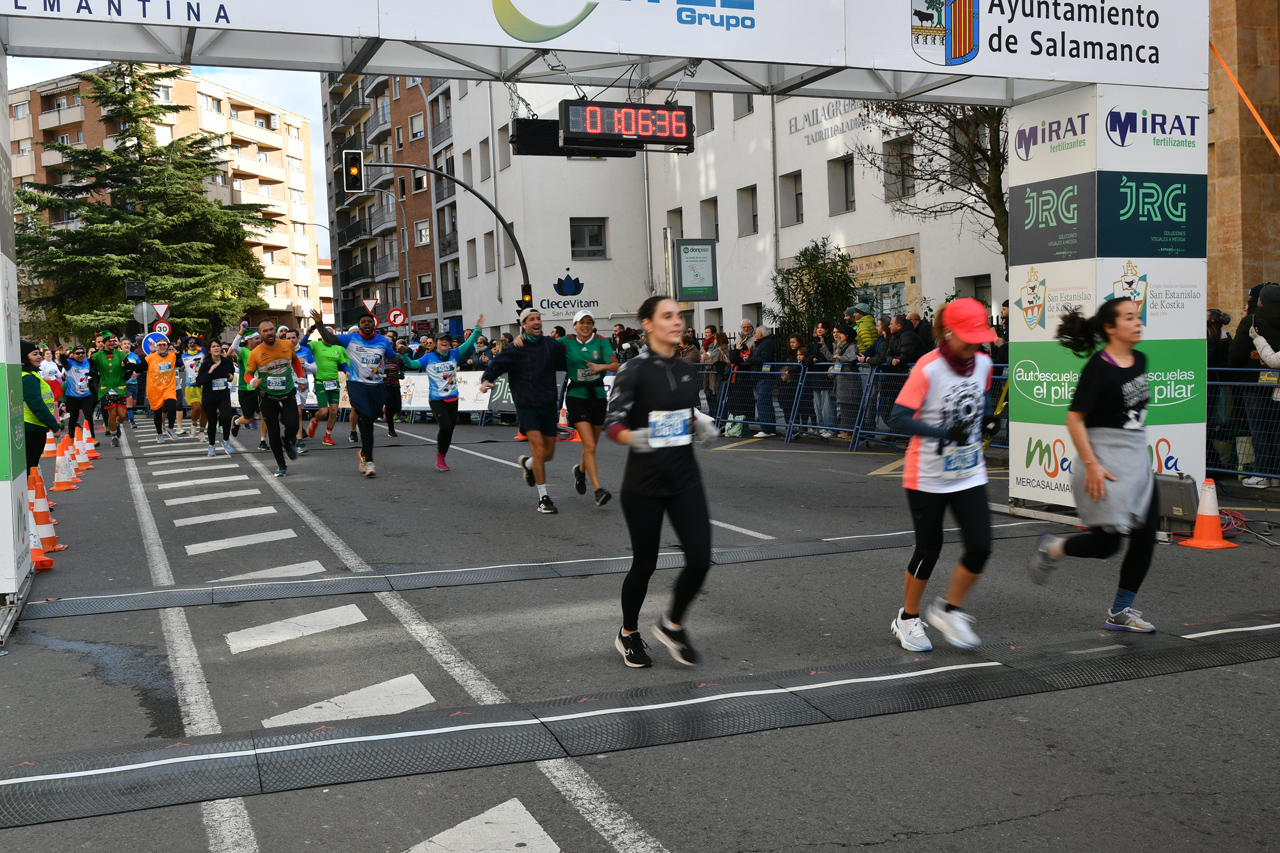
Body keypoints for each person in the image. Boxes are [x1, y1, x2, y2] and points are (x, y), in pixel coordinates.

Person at [1027, 298, 1159, 633]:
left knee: (1145, 537)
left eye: (1138, 317)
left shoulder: (1141, 359)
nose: (1138, 322)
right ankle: (1053, 547)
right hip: (1102, 460)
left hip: (1136, 459)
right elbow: (1074, 419)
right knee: (1106, 545)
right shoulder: (1097, 368)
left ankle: (1120, 611)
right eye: (1129, 318)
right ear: (1110, 328)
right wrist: (1092, 464)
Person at [605, 295, 719, 667]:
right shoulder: (633, 370)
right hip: (645, 484)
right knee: (645, 564)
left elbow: (682, 409)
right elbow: (613, 422)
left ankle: (672, 625)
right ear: (648, 324)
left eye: (679, 316)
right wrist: (633, 437)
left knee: (700, 559)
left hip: (685, 479)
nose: (677, 322)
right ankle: (628, 633)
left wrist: (700, 422)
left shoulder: (687, 367)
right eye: (667, 316)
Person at [888, 298, 996, 651]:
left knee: (980, 546)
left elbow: (980, 400)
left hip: (969, 472)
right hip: (927, 475)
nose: (975, 345)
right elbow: (898, 417)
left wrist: (987, 419)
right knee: (928, 549)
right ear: (948, 333)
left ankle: (950, 608)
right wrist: (943, 434)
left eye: (980, 338)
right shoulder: (929, 367)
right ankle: (908, 618)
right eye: (969, 338)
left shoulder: (983, 363)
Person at [480, 307, 567, 513]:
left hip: (548, 403)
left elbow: (566, 359)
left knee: (548, 454)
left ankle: (529, 465)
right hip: (526, 405)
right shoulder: (515, 348)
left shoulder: (551, 345)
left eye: (538, 318)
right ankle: (543, 498)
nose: (536, 322)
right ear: (524, 325)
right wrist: (486, 380)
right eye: (531, 319)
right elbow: (496, 365)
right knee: (539, 450)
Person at [310, 309, 408, 477]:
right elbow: (330, 338)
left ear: (374, 325)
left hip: (377, 386)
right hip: (357, 384)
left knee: (370, 419)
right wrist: (319, 323)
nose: (366, 324)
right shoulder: (350, 338)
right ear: (360, 326)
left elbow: (393, 358)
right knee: (366, 419)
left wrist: (404, 353)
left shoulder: (383, 342)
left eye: (369, 322)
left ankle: (363, 453)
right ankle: (369, 461)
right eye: (363, 322)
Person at [559, 309, 619, 506]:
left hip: (598, 396)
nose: (585, 326)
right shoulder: (567, 341)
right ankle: (598, 490)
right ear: (574, 325)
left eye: (589, 322)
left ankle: (580, 471)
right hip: (576, 396)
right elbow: (542, 345)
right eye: (581, 322)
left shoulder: (601, 342)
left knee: (591, 445)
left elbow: (615, 366)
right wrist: (521, 338)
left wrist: (600, 367)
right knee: (590, 446)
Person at [419, 314, 484, 471]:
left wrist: (477, 330)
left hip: (453, 398)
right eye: (441, 340)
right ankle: (440, 456)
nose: (445, 342)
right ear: (436, 343)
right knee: (446, 426)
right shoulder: (428, 358)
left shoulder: (454, 354)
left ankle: (442, 454)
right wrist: (404, 355)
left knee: (449, 430)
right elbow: (413, 364)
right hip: (436, 399)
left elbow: (468, 343)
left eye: (447, 340)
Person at [243, 319, 305, 476]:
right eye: (265, 331)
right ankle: (281, 465)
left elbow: (295, 361)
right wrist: (252, 381)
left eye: (271, 329)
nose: (269, 333)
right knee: (273, 432)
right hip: (267, 397)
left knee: (293, 425)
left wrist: (301, 377)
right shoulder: (255, 353)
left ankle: (288, 440)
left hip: (288, 393)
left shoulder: (287, 345)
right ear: (260, 334)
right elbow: (247, 374)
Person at [303, 321, 349, 446]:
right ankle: (314, 421)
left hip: (334, 383)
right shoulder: (315, 345)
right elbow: (302, 346)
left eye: (330, 334)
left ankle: (327, 436)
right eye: (326, 334)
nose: (328, 336)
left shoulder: (338, 349)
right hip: (320, 382)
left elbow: (343, 364)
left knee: (334, 412)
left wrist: (347, 371)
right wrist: (307, 335)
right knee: (323, 412)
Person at [22, 340, 62, 477]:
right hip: (32, 427)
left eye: (39, 353)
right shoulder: (28, 378)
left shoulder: (29, 374)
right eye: (35, 354)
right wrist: (53, 425)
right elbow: (36, 404)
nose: (39, 357)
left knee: (30, 465)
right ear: (24, 357)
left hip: (33, 426)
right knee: (30, 465)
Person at [229, 323, 269, 451]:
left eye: (259, 338)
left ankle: (263, 441)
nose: (259, 340)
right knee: (249, 419)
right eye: (256, 338)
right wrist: (241, 331)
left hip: (260, 388)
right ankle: (236, 422)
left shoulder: (260, 351)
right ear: (249, 340)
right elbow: (234, 347)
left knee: (264, 414)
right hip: (246, 389)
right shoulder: (243, 351)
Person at [195, 339, 237, 456]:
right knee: (212, 421)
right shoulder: (206, 364)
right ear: (209, 350)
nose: (216, 348)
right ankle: (212, 446)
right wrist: (210, 372)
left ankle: (226, 440)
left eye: (218, 346)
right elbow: (199, 381)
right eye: (213, 347)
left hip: (223, 394)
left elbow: (231, 374)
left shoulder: (227, 362)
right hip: (209, 396)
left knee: (226, 417)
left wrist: (230, 377)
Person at [90, 334, 130, 446]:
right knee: (112, 414)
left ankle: (116, 424)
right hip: (107, 388)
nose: (112, 343)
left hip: (120, 387)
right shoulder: (97, 356)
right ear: (104, 342)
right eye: (110, 341)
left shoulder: (121, 354)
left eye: (114, 341)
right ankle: (114, 436)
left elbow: (128, 368)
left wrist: (127, 367)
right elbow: (88, 364)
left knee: (122, 415)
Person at [139, 337, 180, 442]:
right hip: (155, 389)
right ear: (157, 347)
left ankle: (170, 429)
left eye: (164, 344)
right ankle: (159, 433)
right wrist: (126, 365)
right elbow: (139, 368)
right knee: (157, 412)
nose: (162, 346)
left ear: (167, 346)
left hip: (168, 387)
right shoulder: (150, 358)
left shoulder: (172, 356)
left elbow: (184, 359)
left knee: (171, 406)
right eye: (160, 345)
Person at [60, 344, 97, 444]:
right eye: (78, 353)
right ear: (73, 354)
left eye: (82, 353)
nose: (80, 355)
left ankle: (91, 438)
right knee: (73, 417)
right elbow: (63, 362)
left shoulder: (87, 362)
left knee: (88, 416)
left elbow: (92, 372)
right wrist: (62, 355)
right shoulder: (69, 363)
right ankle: (71, 437)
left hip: (86, 395)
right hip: (72, 396)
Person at [748, 324, 778, 438]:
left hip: (765, 376)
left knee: (762, 402)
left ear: (760, 334)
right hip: (761, 376)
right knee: (766, 402)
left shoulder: (766, 344)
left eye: (756, 333)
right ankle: (771, 428)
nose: (754, 335)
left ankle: (766, 429)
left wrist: (749, 359)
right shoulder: (761, 343)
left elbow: (763, 358)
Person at [180, 338, 206, 441]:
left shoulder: (202, 352)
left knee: (204, 410)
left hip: (203, 386)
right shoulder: (183, 356)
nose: (192, 344)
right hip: (191, 386)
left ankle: (202, 432)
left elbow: (209, 344)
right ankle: (193, 424)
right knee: (197, 407)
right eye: (190, 342)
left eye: (194, 342)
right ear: (186, 344)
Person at [120, 338, 142, 429]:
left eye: (128, 344)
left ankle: (125, 414)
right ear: (121, 346)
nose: (127, 345)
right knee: (129, 402)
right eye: (124, 344)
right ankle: (132, 422)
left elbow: (140, 368)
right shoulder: (118, 356)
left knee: (133, 404)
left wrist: (136, 374)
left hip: (134, 383)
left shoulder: (135, 356)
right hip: (124, 383)